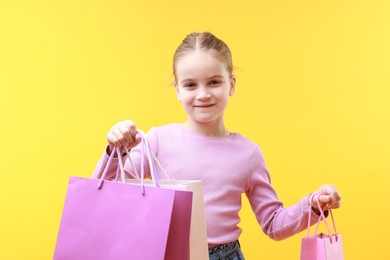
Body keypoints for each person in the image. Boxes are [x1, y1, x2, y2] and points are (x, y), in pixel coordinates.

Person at [92, 32, 341, 260]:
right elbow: (103, 194)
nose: (203, 94)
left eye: (214, 82)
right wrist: (115, 150)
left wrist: (313, 205)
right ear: (177, 90)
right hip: (165, 254)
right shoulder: (156, 141)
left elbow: (274, 225)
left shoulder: (248, 154)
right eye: (190, 85)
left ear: (231, 85)